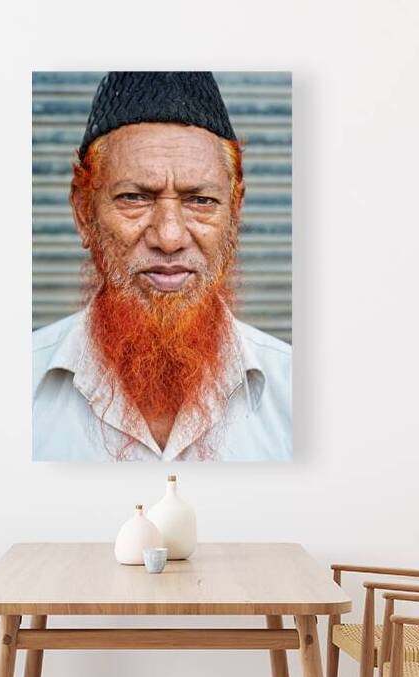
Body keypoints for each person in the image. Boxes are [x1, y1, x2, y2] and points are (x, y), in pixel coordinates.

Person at [33, 72, 291, 461]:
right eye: (134, 197)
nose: (169, 237)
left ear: (234, 214)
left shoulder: (298, 393)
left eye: (200, 201)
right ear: (84, 213)